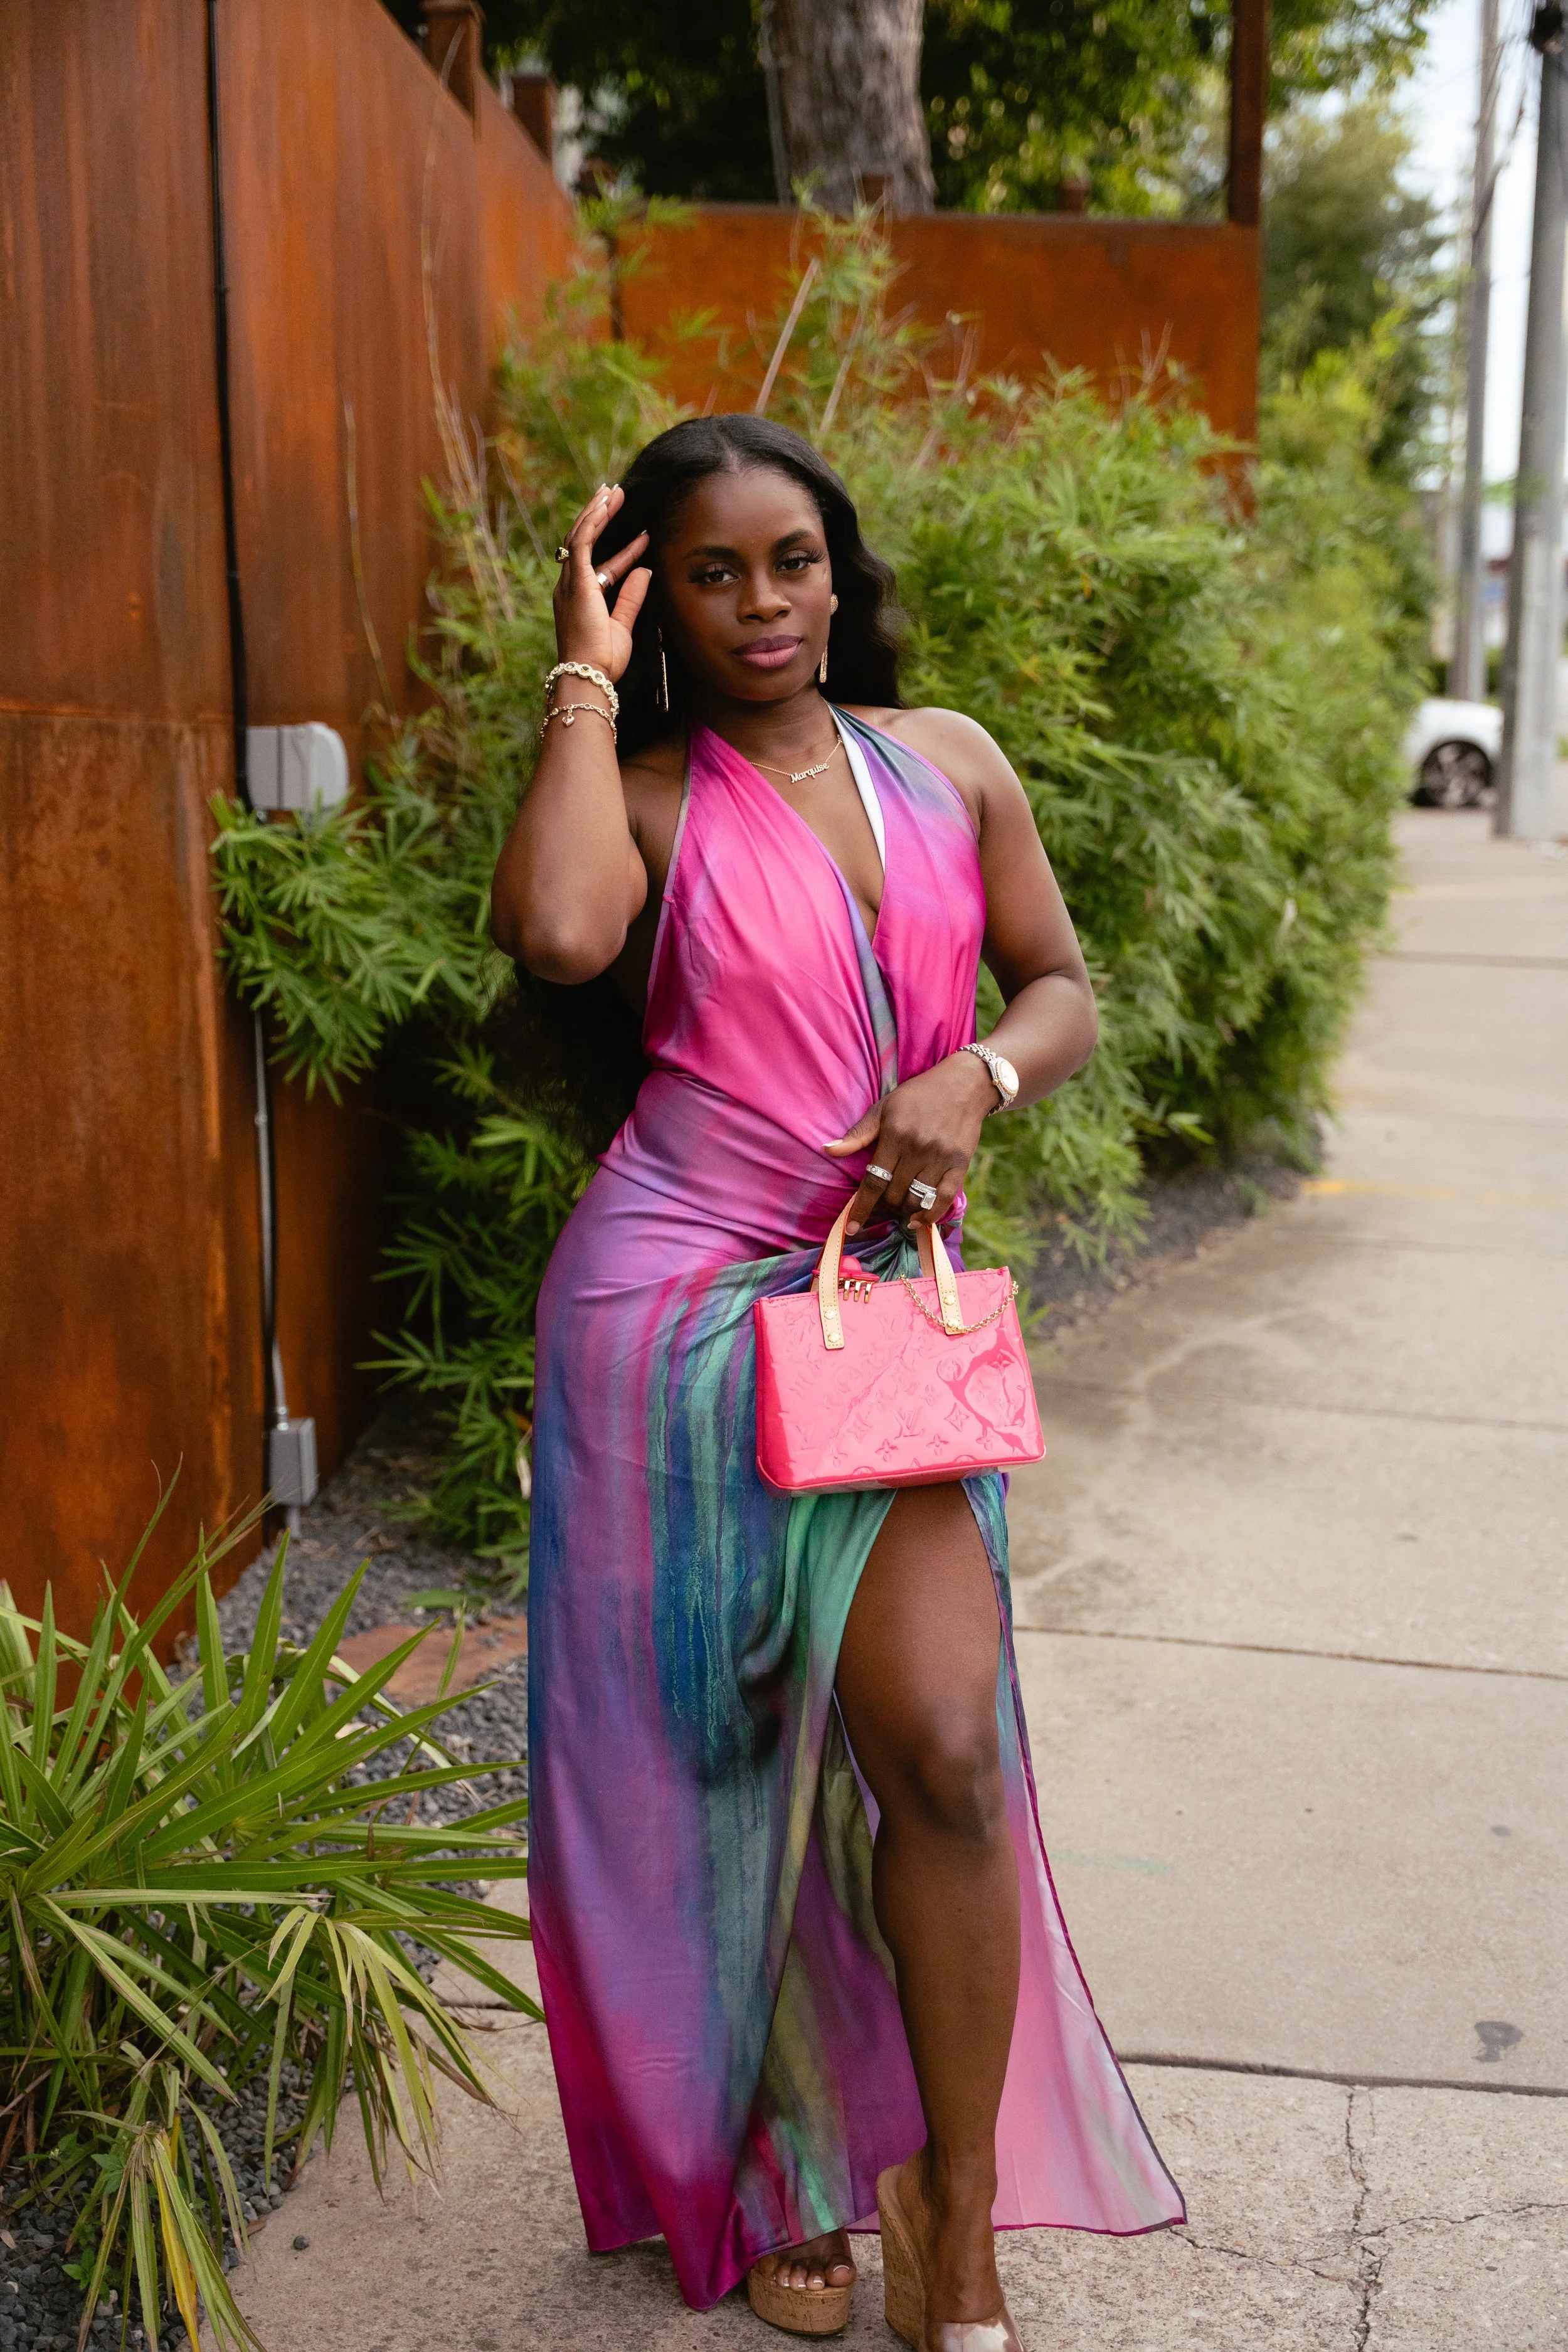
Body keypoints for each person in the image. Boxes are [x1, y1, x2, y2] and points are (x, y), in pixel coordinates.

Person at [490, 416, 1182, 2349]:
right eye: (708, 573)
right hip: (663, 1327)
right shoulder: (637, 792)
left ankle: (951, 2205)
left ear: (837, 562)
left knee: (944, 1747)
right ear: (658, 601)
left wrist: (985, 1076)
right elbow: (554, 931)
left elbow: (1059, 987)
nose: (761, 603)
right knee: (724, 1767)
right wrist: (575, 660)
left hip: (877, 1316)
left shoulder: (949, 759)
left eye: (788, 558)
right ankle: (787, 2158)